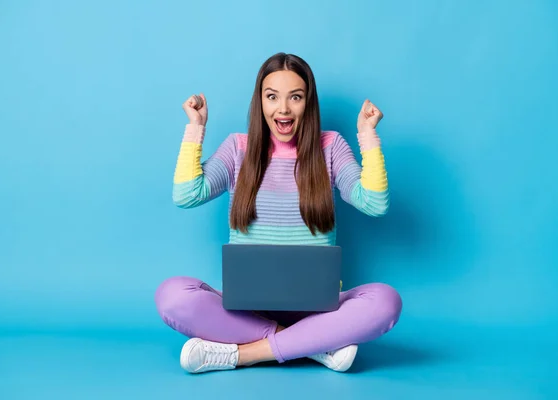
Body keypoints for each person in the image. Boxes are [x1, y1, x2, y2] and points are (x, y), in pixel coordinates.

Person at [155, 52, 402, 374]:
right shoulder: (237, 148)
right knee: (173, 296)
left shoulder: (331, 146)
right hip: (246, 311)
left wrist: (368, 135)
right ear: (260, 102)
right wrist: (195, 128)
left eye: (295, 97)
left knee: (385, 301)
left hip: (316, 312)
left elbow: (374, 203)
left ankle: (245, 354)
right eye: (272, 97)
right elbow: (187, 195)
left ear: (308, 103)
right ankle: (312, 346)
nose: (283, 109)